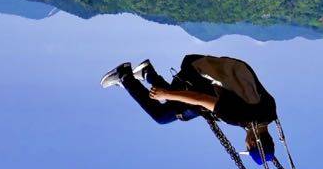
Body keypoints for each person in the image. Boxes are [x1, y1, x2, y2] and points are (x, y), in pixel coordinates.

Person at [101, 53, 278, 163]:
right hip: (195, 71)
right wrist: (166, 94)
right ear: (254, 143)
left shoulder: (270, 112)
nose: (245, 144)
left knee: (182, 111)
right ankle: (124, 75)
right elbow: (201, 99)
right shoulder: (240, 117)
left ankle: (147, 73)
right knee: (162, 115)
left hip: (209, 71)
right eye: (248, 147)